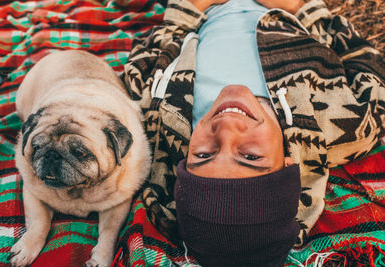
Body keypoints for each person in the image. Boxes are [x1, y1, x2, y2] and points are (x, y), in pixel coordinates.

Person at [121, 0, 385, 265]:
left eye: (202, 154)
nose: (226, 129)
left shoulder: (162, 121)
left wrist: (191, 8)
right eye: (250, 156)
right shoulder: (344, 129)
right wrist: (301, 9)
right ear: (287, 166)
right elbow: (364, 61)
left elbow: (145, 60)